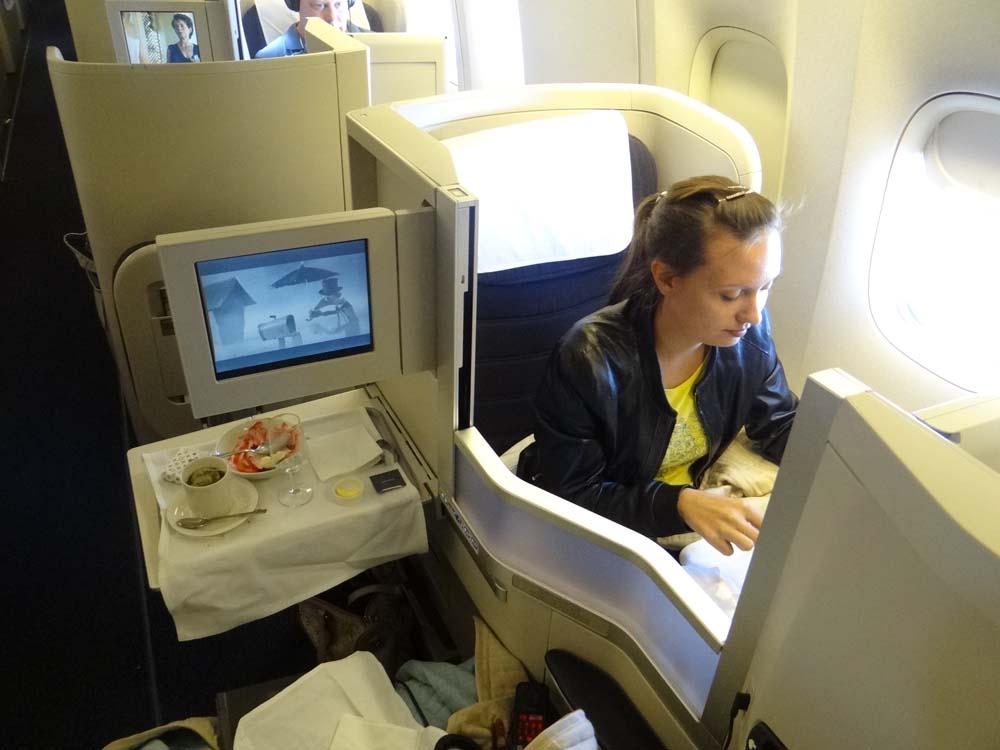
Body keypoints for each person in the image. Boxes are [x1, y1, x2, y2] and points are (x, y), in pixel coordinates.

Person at [522, 175, 798, 556]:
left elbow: (781, 423)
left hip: (693, 493)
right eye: (731, 295)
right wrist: (679, 504)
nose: (753, 313)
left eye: (765, 287)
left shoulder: (750, 336)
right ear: (667, 279)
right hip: (626, 514)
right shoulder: (588, 359)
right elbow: (573, 494)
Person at [255, 0, 362, 58]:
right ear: (296, 4)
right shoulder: (268, 59)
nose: (332, 17)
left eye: (338, 4)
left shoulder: (371, 44)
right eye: (319, 5)